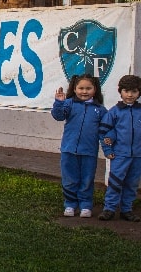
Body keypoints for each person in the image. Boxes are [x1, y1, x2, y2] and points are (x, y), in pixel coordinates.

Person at [51, 74, 107, 218]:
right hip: (68, 150)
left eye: (88, 88)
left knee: (87, 179)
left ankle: (85, 205)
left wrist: (108, 148)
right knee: (69, 179)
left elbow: (105, 131)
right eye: (81, 88)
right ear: (74, 89)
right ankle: (70, 204)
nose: (84, 91)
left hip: (89, 152)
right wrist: (59, 102)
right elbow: (58, 116)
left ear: (95, 90)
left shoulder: (100, 110)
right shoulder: (69, 104)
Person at [98, 74, 141, 222]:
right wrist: (108, 150)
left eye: (134, 91)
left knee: (132, 184)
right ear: (120, 91)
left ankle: (126, 210)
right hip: (120, 155)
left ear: (139, 93)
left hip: (137, 156)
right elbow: (103, 132)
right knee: (115, 182)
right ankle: (109, 209)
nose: (130, 95)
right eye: (126, 91)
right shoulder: (114, 112)